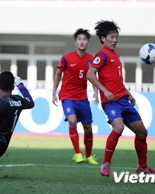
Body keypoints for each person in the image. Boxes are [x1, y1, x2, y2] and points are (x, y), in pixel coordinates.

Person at [86, 20, 155, 177]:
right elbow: (90, 74)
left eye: (116, 37)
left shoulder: (115, 56)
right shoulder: (102, 55)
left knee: (142, 132)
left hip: (123, 100)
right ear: (102, 38)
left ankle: (142, 167)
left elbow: (116, 80)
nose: (114, 40)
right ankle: (106, 163)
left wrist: (128, 93)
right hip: (111, 102)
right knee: (118, 128)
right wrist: (104, 91)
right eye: (111, 37)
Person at [52, 28, 99, 165]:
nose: (82, 42)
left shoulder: (91, 59)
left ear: (88, 42)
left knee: (88, 127)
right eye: (79, 39)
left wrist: (96, 91)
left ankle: (89, 155)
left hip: (82, 98)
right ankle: (77, 153)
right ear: (75, 42)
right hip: (67, 96)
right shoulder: (66, 58)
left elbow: (93, 76)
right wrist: (54, 92)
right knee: (72, 121)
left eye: (84, 39)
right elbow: (58, 74)